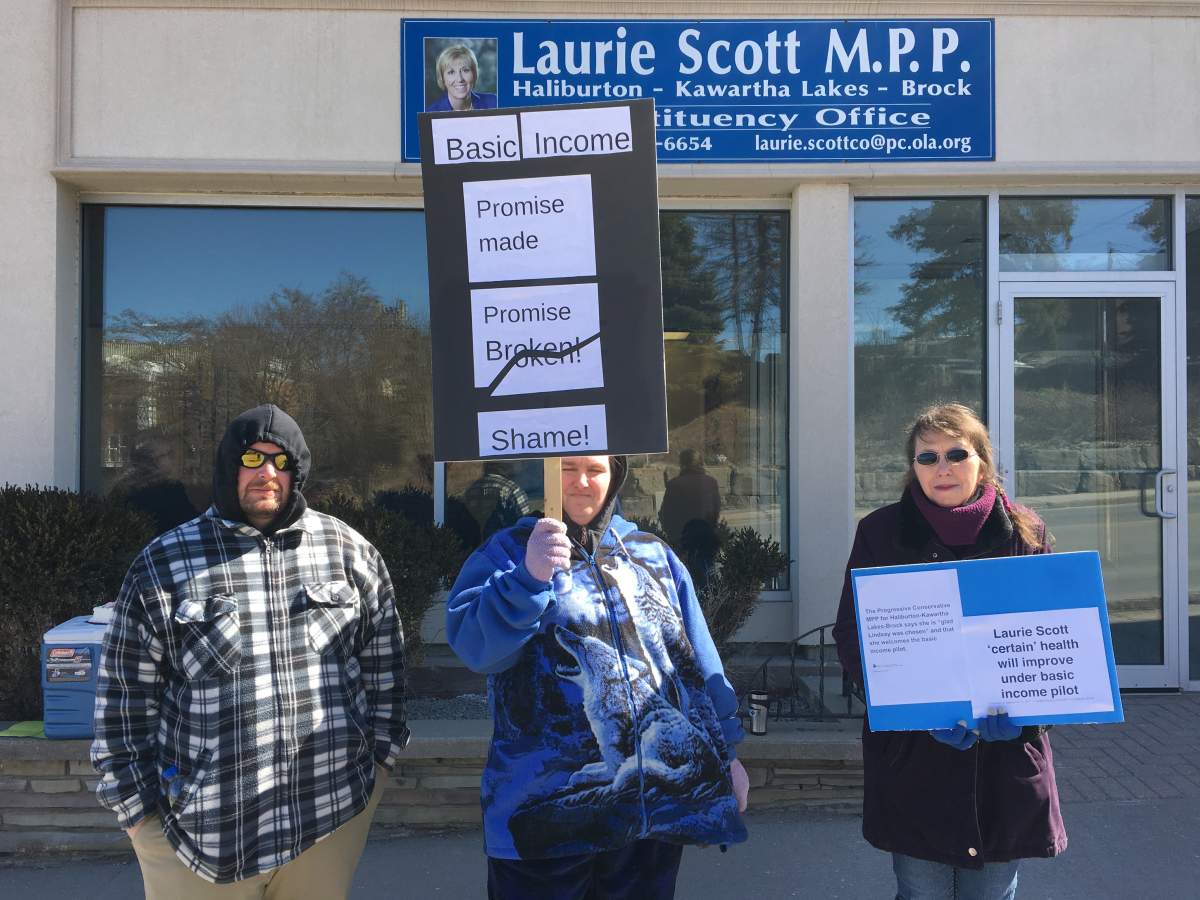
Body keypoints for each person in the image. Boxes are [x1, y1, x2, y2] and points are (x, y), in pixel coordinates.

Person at [92, 404, 409, 898]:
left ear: (297, 472)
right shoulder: (165, 563)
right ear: (227, 466)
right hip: (199, 837)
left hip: (328, 818)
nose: (267, 474)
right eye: (252, 459)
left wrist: (379, 769)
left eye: (280, 462)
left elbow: (385, 672)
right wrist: (138, 817)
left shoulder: (349, 552)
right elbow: (123, 699)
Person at [446, 455, 749, 900]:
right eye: (568, 468)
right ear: (547, 470)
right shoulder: (506, 551)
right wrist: (528, 578)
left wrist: (727, 753)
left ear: (616, 474)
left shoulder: (650, 552)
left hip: (647, 819)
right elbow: (477, 648)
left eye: (596, 469)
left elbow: (695, 663)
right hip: (543, 817)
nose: (583, 482)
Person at [833, 403, 1067, 899]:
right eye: (927, 457)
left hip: (1002, 765)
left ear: (981, 460)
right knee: (922, 891)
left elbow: (1057, 642)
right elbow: (853, 637)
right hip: (916, 760)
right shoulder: (880, 534)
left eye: (956, 453)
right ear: (912, 466)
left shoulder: (1026, 532)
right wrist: (913, 712)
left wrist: (1028, 719)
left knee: (994, 893)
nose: (942, 468)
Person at [658, 448, 722, 585]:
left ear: (682, 464)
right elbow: (716, 511)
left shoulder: (675, 485)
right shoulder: (711, 482)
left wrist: (673, 537)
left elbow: (666, 515)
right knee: (706, 580)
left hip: (683, 541)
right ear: (700, 463)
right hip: (706, 539)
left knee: (683, 580)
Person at [425, 43, 498, 112]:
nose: (460, 79)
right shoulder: (431, 112)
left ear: (475, 74)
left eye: (465, 70)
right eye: (451, 72)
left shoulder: (494, 102)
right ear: (442, 78)